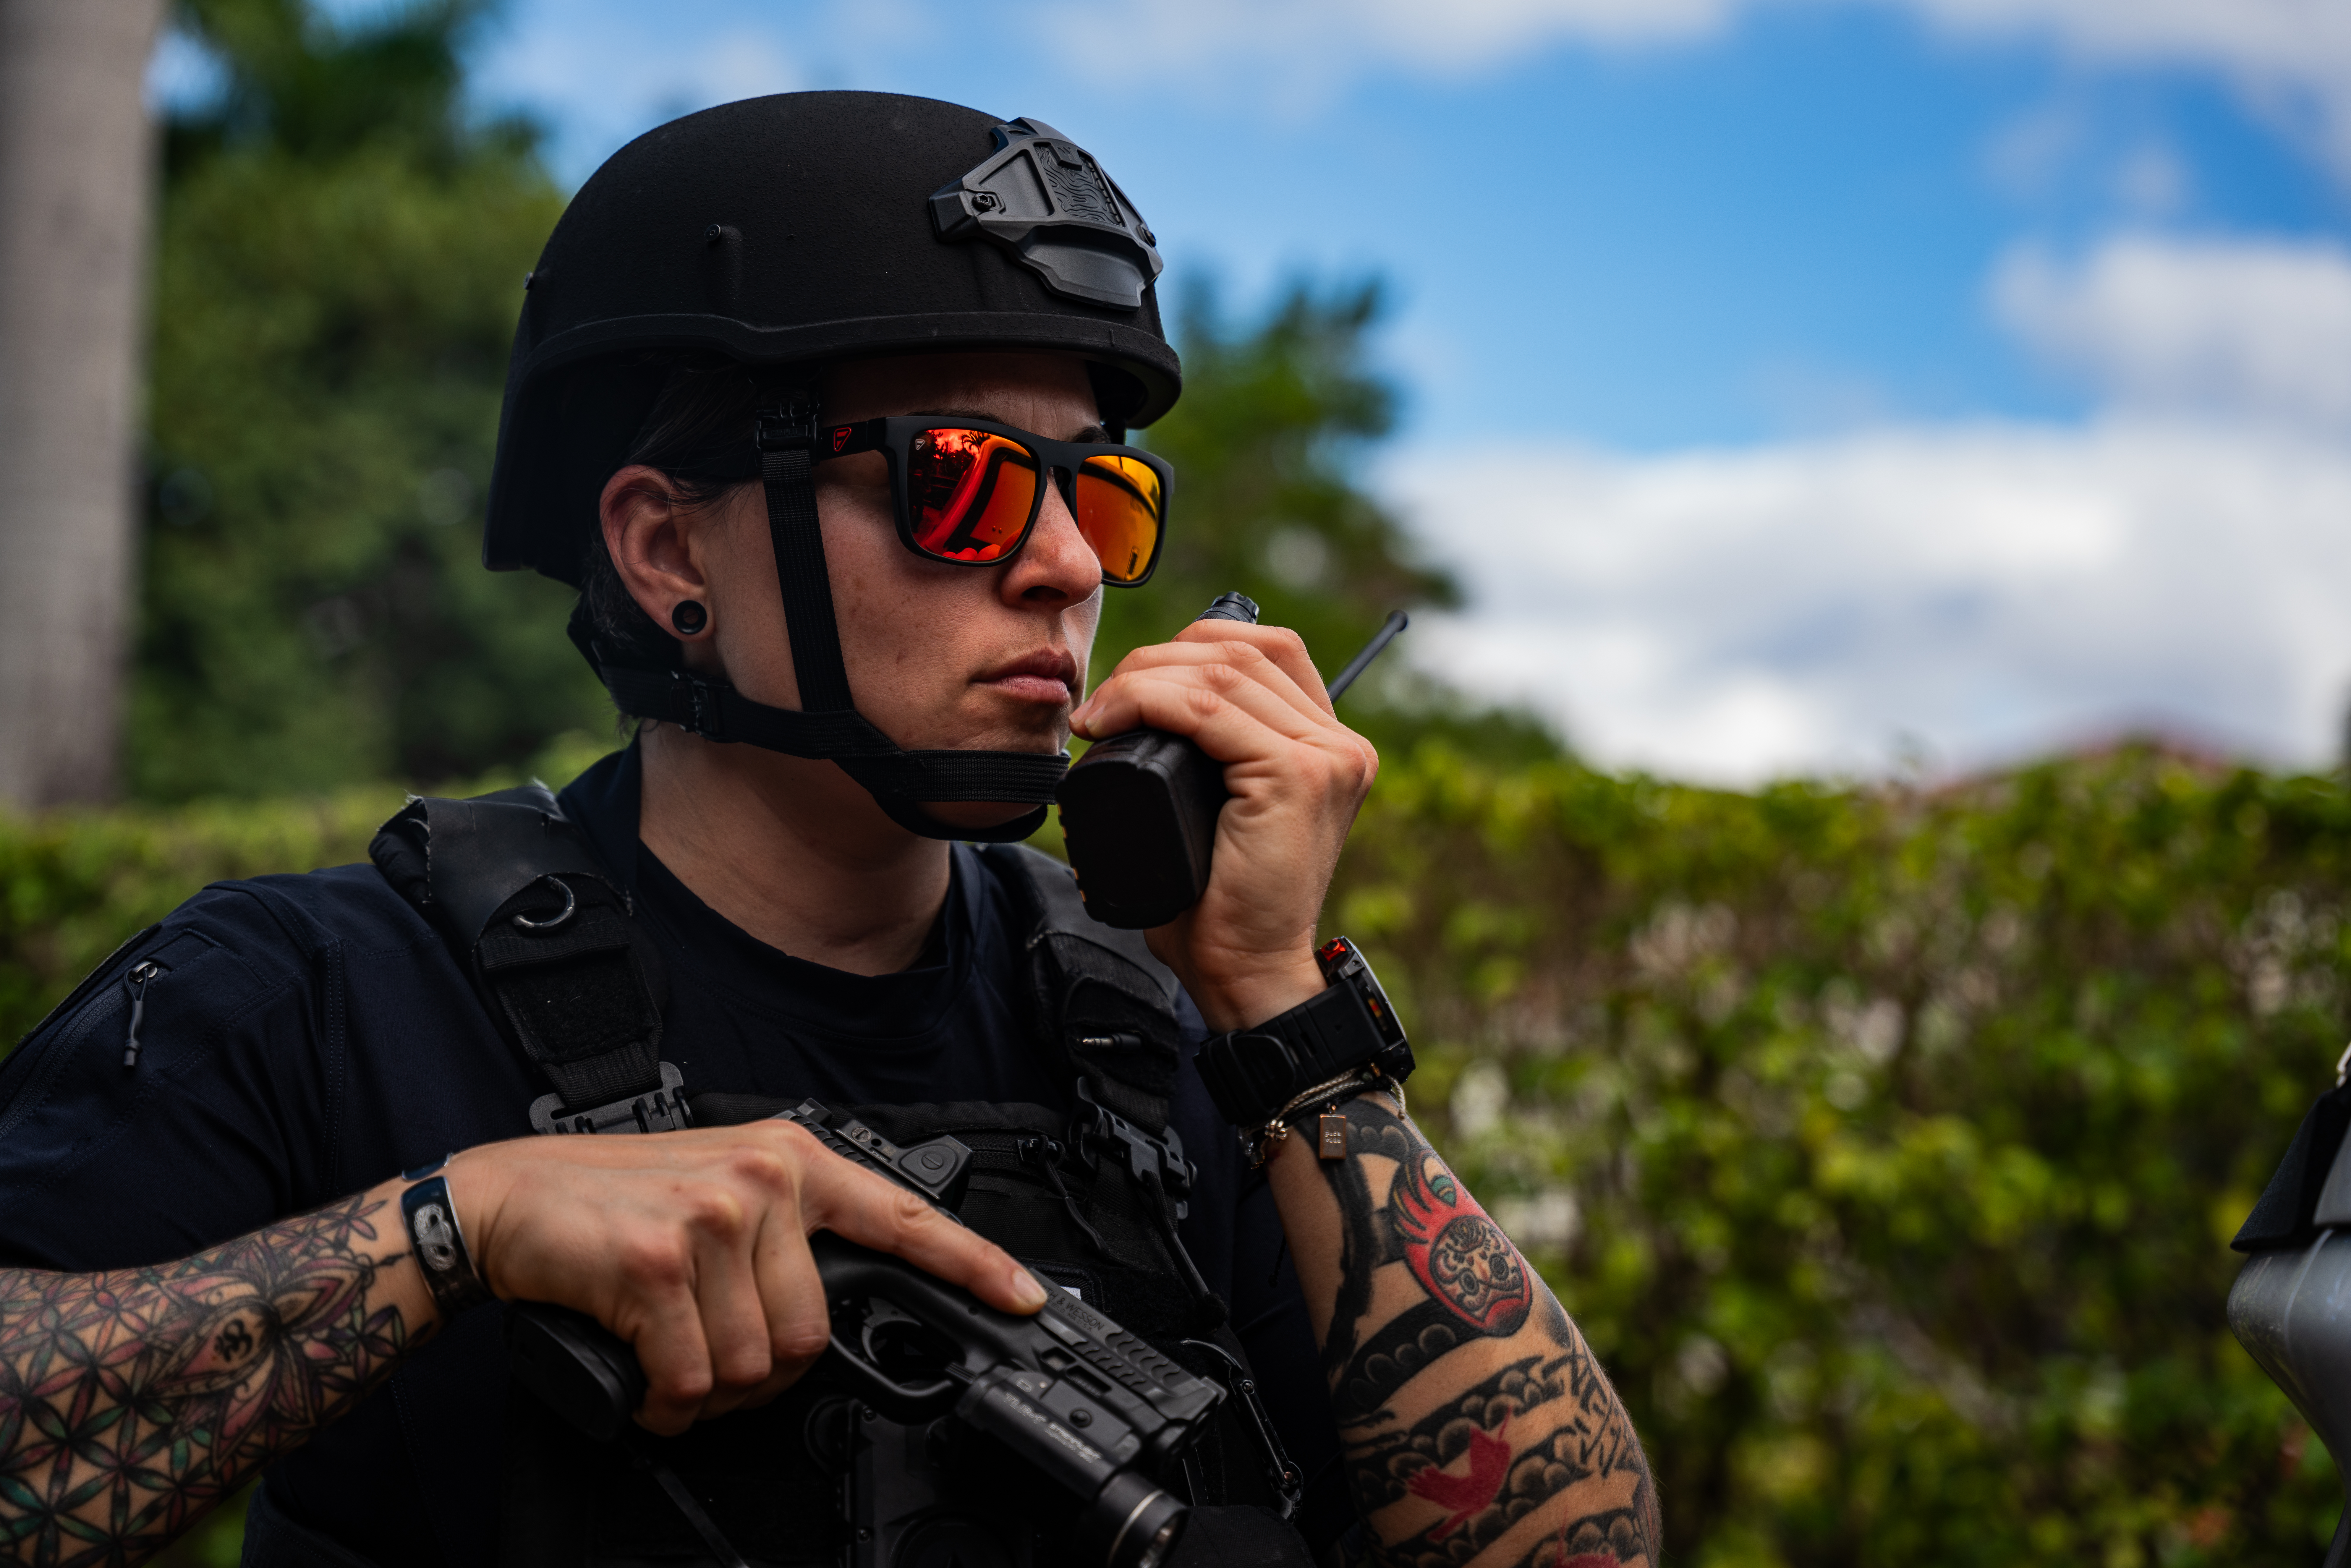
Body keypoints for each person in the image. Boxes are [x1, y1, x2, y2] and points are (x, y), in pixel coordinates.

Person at [0, 93, 1654, 1568]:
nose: (1069, 567)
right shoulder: (318, 995)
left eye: (1100, 491)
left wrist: (1286, 1017)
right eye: (965, 481)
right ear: (670, 555)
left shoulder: (1159, 1031)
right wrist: (454, 1230)